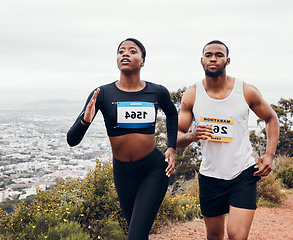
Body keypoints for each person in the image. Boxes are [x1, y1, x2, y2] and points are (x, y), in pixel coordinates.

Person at [67, 38, 178, 239]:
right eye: (121, 51)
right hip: (123, 172)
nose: (125, 54)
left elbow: (172, 114)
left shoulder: (158, 91)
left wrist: (171, 147)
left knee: (135, 236)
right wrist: (85, 120)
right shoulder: (102, 93)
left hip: (153, 168)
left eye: (132, 51)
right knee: (137, 233)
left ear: (143, 61)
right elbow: (72, 140)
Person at [177, 40, 279, 240]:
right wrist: (192, 135)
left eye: (219, 55)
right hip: (210, 176)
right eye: (208, 55)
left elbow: (271, 118)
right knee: (214, 235)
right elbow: (177, 136)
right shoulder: (192, 94)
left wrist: (269, 154)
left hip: (242, 173)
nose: (213, 58)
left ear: (227, 60)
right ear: (202, 60)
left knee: (236, 235)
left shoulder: (245, 90)